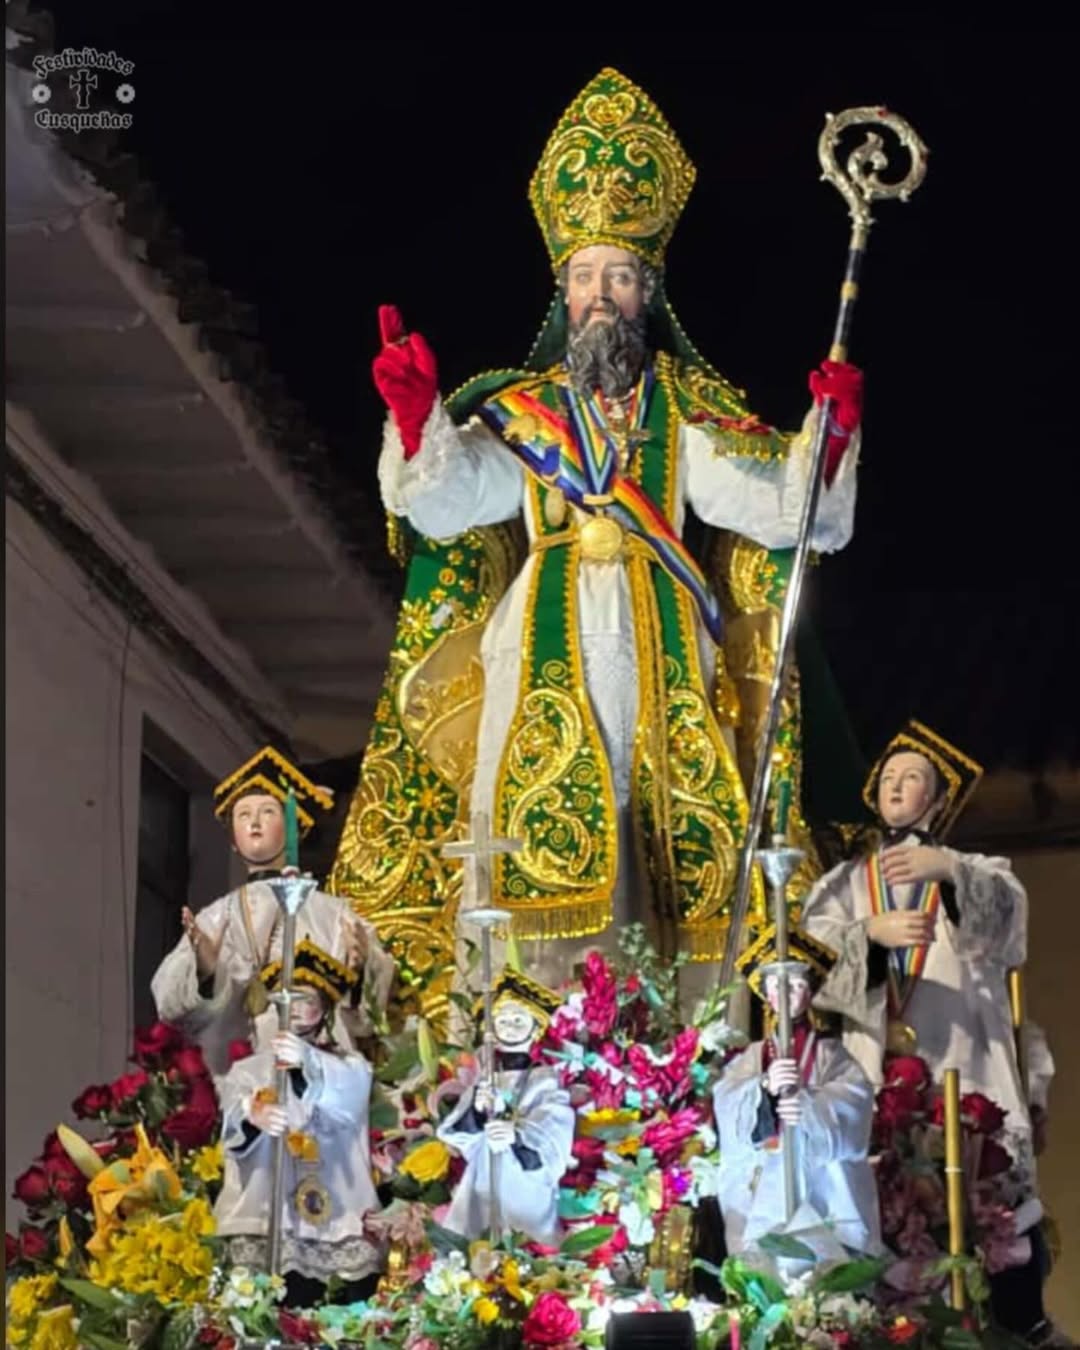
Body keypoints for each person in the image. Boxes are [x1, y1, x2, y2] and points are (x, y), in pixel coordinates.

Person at [333, 66, 866, 991]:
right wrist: (419, 421)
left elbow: (787, 518)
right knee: (528, 822)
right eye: (585, 276)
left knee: (662, 829)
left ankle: (674, 1049)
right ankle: (519, 1031)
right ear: (563, 294)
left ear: (648, 292)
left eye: (620, 275)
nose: (602, 293)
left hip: (665, 650)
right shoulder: (519, 414)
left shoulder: (689, 419)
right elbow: (450, 504)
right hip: (543, 640)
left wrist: (832, 435)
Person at [801, 720, 1062, 1343]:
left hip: (962, 1058)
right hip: (870, 1069)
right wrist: (868, 936)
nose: (896, 785)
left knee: (985, 1206)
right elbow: (808, 966)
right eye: (888, 776)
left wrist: (947, 869)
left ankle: (1002, 1320)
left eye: (912, 776)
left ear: (940, 798)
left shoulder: (980, 869)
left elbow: (1005, 933)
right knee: (879, 1209)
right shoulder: (841, 885)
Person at [151, 746, 394, 1076]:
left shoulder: (333, 914)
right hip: (239, 1069)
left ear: (296, 827)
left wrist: (361, 969)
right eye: (243, 815)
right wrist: (205, 972)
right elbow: (168, 1003)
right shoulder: (217, 916)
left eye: (267, 812)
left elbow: (369, 1016)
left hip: (316, 1068)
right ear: (233, 841)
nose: (254, 822)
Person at [214, 939, 383, 1304]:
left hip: (336, 1212)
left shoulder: (350, 1067)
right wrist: (251, 1113)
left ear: (324, 1009)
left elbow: (348, 1100)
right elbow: (231, 1118)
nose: (296, 1008)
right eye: (287, 999)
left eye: (307, 1000)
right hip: (265, 1211)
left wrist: (305, 1058)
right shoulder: (249, 1071)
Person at [713, 923, 881, 1263]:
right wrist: (764, 1091)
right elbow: (727, 1104)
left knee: (825, 1265)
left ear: (809, 993)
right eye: (778, 986)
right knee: (765, 1265)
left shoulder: (832, 1055)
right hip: (764, 1182)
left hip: (823, 1184)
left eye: (797, 984)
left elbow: (855, 1103)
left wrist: (808, 1106)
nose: (787, 993)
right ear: (768, 995)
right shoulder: (753, 1057)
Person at [437, 970, 574, 1245]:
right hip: (485, 1178)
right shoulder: (486, 1079)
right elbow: (456, 1134)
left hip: (526, 1186)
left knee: (525, 1245)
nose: (509, 1026)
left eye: (518, 1020)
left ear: (536, 1029)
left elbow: (554, 1139)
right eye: (502, 1021)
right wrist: (476, 1110)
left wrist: (517, 1137)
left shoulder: (545, 1080)